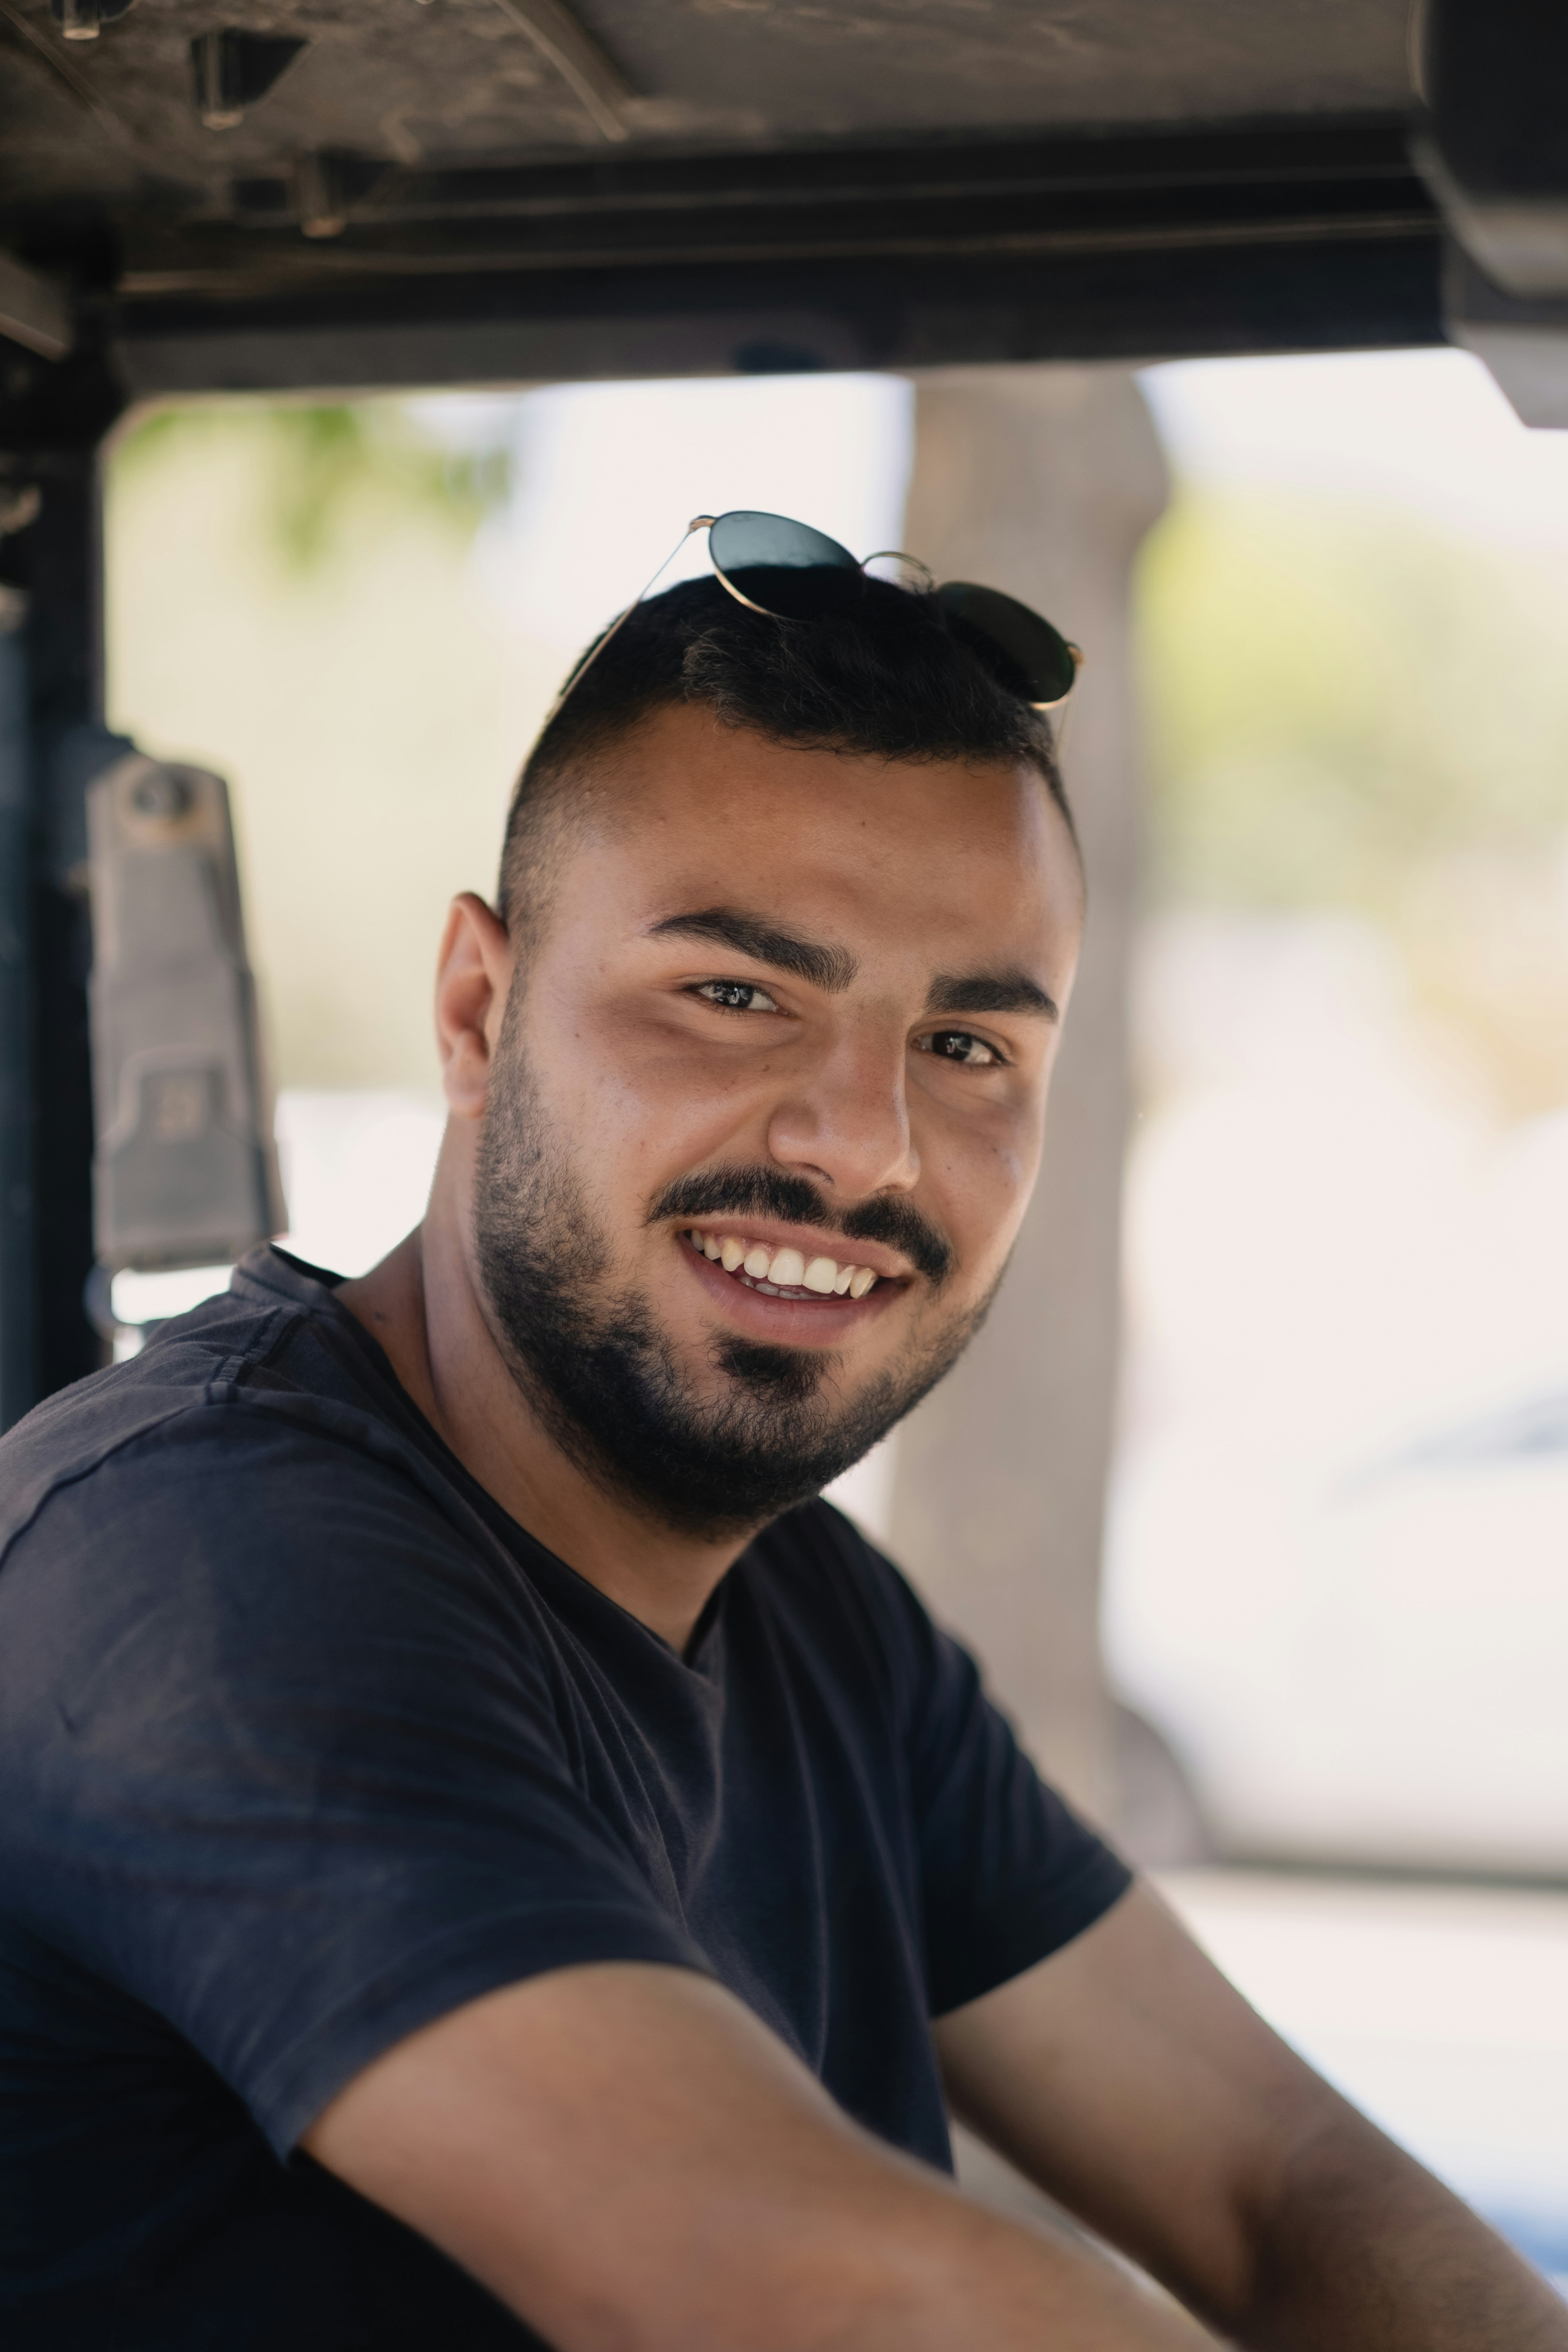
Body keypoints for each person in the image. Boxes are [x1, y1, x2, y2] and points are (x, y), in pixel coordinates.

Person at [0, 527, 1562, 2352]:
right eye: (736, 995)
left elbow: (1275, 2180)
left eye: (966, 1045)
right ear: (477, 1014)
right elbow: (810, 2296)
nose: (863, 1147)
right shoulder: (194, 1569)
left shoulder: (812, 1618)